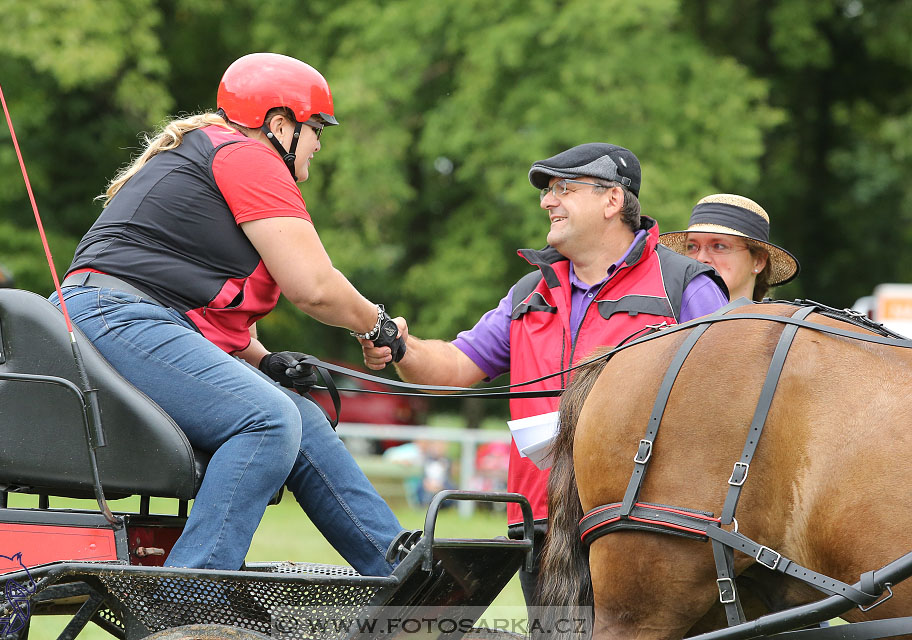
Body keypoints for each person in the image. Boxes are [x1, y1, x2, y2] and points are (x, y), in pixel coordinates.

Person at [51, 52, 408, 574]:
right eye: (315, 130)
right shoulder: (249, 157)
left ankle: (397, 565)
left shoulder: (205, 152)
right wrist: (375, 325)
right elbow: (313, 287)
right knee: (267, 419)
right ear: (279, 125)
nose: (319, 143)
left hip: (115, 315)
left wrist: (264, 362)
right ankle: (191, 600)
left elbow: (187, 293)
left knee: (299, 417)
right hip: (117, 315)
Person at [361, 143, 730, 607]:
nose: (546, 201)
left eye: (563, 189)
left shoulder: (684, 286)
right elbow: (454, 365)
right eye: (548, 190)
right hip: (540, 525)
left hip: (645, 524)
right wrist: (399, 345)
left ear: (612, 200)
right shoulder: (530, 291)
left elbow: (730, 405)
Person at [658, 193, 799, 301]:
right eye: (692, 247)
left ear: (758, 261)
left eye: (719, 246)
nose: (701, 258)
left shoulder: (777, 334)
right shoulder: (664, 328)